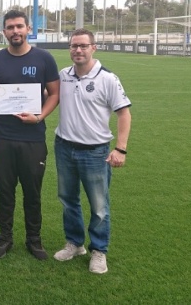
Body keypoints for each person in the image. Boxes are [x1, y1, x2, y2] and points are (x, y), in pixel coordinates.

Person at [52, 28, 132, 274]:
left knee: (99, 206)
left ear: (93, 48)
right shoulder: (63, 75)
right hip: (64, 146)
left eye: (83, 46)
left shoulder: (107, 78)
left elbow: (124, 113)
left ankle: (99, 250)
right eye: (74, 46)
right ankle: (75, 243)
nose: (78, 50)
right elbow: (45, 96)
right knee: (68, 200)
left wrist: (121, 149)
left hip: (95, 152)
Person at [0, 9, 60, 260]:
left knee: (32, 192)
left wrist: (39, 117)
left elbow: (55, 94)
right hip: (3, 138)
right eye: (10, 27)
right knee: (5, 192)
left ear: (28, 29)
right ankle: (4, 238)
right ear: (4, 31)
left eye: (19, 26)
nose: (15, 31)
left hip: (33, 139)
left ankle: (34, 240)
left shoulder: (44, 59)